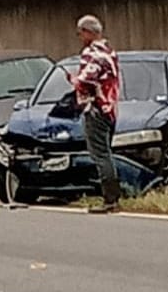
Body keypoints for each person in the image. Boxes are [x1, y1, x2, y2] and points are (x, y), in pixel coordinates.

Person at [70, 15, 121, 213]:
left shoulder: (92, 53)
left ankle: (110, 199)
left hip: (95, 109)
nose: (80, 37)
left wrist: (74, 80)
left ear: (88, 32)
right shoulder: (110, 51)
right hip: (110, 108)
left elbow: (85, 80)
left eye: (80, 33)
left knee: (100, 154)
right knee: (107, 152)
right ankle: (113, 196)